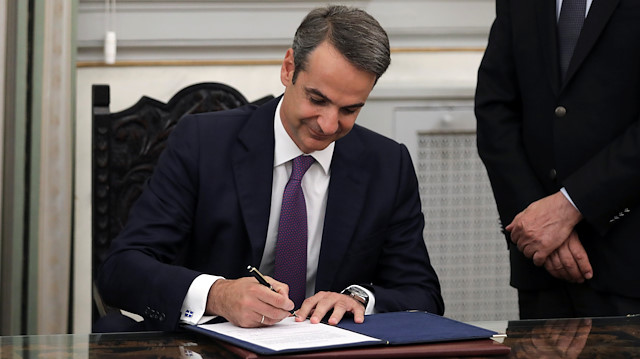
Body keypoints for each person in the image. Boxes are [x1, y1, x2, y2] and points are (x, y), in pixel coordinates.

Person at [97, 5, 444, 332]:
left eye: (349, 110)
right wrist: (218, 294)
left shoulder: (387, 164)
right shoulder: (203, 143)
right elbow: (121, 269)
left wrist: (357, 299)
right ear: (289, 68)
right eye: (317, 99)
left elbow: (422, 293)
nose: (327, 124)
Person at [475, 0, 640, 319]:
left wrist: (571, 205)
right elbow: (495, 109)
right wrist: (537, 220)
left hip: (629, 258)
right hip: (542, 266)